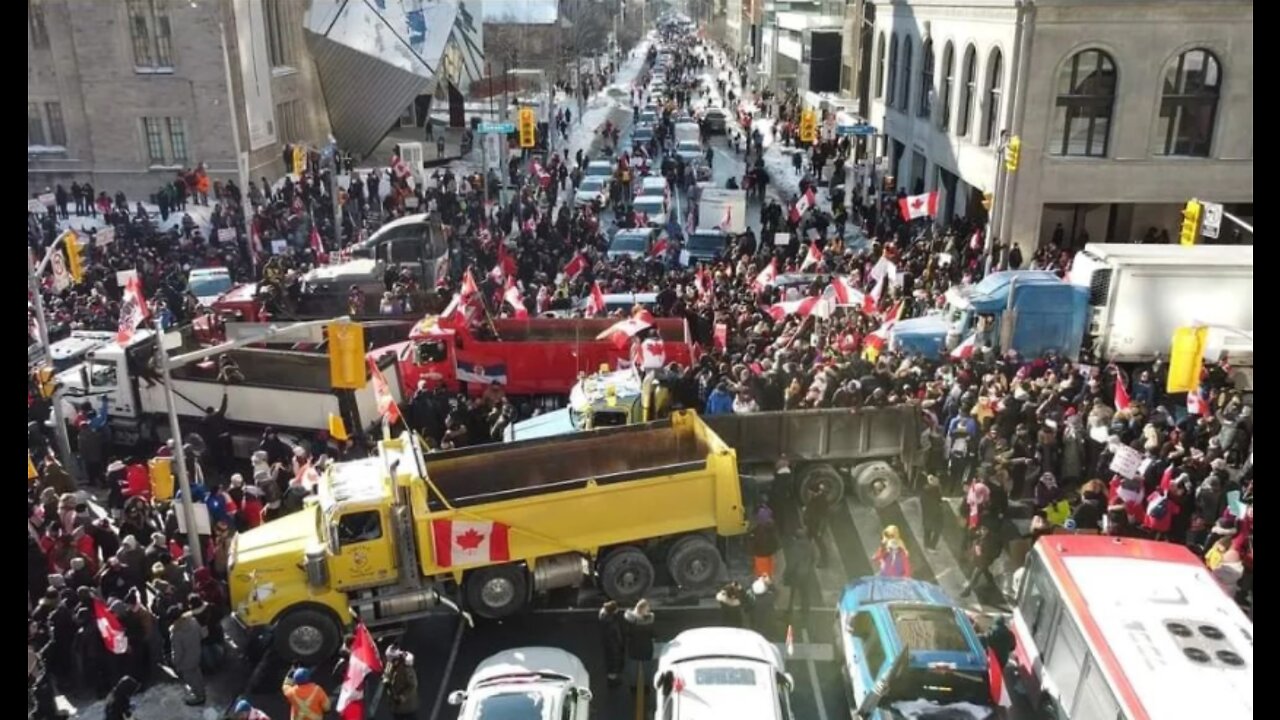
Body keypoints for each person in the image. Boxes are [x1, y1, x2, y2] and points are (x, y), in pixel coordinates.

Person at [169, 596, 207, 705]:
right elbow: (202, 635)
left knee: (191, 678)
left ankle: (199, 697)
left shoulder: (176, 633)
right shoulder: (193, 621)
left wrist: (175, 662)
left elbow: (177, 652)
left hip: (185, 662)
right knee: (197, 674)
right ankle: (202, 692)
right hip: (197, 654)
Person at [623, 599, 656, 692]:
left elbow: (626, 633)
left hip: (633, 647)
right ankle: (646, 687)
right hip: (646, 647)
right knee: (647, 668)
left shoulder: (629, 620)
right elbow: (653, 634)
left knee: (633, 669)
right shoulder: (650, 620)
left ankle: (633, 687)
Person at [383, 645, 420, 720]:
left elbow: (413, 685)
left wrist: (402, 697)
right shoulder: (391, 664)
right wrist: (386, 680)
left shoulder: (406, 669)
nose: (389, 662)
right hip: (396, 707)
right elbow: (387, 674)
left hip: (408, 707)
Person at [598, 600, 626, 686]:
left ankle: (610, 677)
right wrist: (622, 644)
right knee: (615, 661)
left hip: (607, 642)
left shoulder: (603, 617)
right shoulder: (613, 622)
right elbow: (618, 636)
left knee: (609, 660)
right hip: (614, 644)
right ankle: (613, 680)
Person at [920, 474, 946, 550]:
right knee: (937, 530)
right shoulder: (936, 490)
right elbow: (938, 501)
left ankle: (927, 545)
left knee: (927, 530)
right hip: (935, 514)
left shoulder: (925, 490)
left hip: (927, 514)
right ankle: (931, 546)